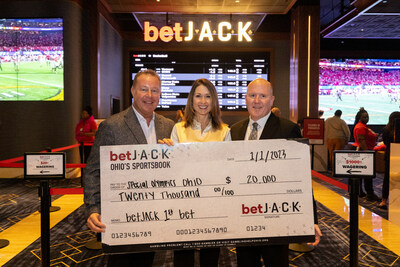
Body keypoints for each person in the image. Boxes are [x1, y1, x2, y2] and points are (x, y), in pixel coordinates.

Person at [84, 69, 175, 267]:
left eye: (155, 91)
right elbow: (93, 170)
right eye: (144, 89)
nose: (149, 96)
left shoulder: (168, 126)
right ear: (133, 91)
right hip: (122, 215)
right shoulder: (112, 126)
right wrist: (93, 208)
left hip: (155, 215)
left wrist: (175, 155)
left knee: (148, 261)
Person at [230, 78, 322, 267]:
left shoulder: (288, 129)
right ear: (245, 99)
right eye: (252, 95)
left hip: (275, 216)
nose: (257, 101)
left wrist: (310, 218)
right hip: (243, 215)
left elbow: (301, 177)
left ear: (272, 100)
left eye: (262, 96)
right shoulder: (235, 130)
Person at [162, 78, 230, 267]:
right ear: (191, 100)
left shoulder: (224, 132)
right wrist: (164, 152)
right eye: (198, 96)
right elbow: (172, 170)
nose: (203, 101)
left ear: (214, 101)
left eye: (208, 96)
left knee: (210, 258)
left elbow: (227, 170)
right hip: (183, 204)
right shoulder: (178, 130)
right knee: (183, 257)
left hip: (213, 204)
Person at [352, 107, 380, 201]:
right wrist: (367, 153)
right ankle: (369, 193)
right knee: (366, 175)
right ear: (360, 117)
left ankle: (362, 192)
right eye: (364, 117)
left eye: (367, 116)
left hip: (365, 151)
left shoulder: (364, 126)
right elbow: (362, 141)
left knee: (364, 174)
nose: (366, 118)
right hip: (364, 152)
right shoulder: (360, 127)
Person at [378, 111, 400, 209]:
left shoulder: (386, 129)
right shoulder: (388, 130)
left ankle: (384, 200)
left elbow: (386, 143)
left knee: (387, 178)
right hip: (396, 155)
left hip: (390, 154)